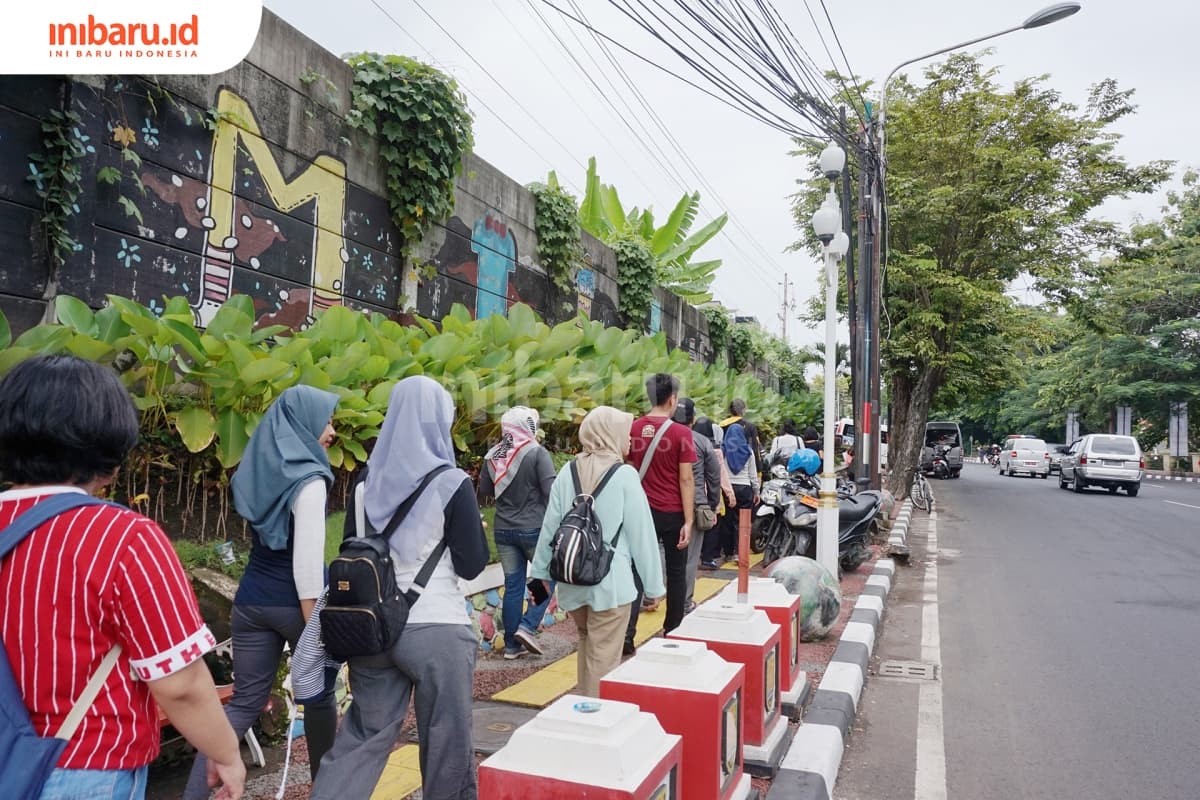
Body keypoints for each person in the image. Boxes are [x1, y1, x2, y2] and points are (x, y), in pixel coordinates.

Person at [0, 355, 245, 800]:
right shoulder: (124, 538)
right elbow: (181, 684)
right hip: (81, 769)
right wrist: (226, 754)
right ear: (109, 451)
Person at [311, 376, 488, 800]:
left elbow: (355, 549)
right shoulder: (452, 483)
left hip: (372, 629)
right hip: (436, 629)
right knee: (446, 742)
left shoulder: (364, 483)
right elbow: (472, 564)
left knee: (362, 737)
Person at [183, 385, 339, 798]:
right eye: (326, 421)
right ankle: (327, 791)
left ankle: (192, 795)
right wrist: (317, 634)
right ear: (304, 423)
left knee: (242, 705)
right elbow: (307, 568)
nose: (332, 431)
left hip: (251, 603)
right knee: (320, 697)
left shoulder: (261, 470)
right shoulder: (309, 480)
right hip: (294, 604)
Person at [531, 406, 664, 696]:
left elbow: (551, 526)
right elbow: (643, 535)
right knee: (603, 657)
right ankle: (593, 718)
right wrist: (654, 586)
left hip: (572, 579)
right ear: (610, 434)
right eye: (626, 434)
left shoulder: (568, 471)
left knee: (586, 643)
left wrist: (540, 573)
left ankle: (583, 708)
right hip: (610, 585)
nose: (629, 441)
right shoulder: (624, 475)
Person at [477, 406, 557, 659]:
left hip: (503, 530)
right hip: (534, 528)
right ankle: (528, 625)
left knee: (513, 586)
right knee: (548, 576)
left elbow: (485, 493)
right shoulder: (536, 452)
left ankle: (512, 645)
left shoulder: (493, 455)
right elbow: (552, 493)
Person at [623, 373, 695, 649]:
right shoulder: (681, 433)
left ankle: (627, 636)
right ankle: (673, 631)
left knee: (635, 572)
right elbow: (685, 479)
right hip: (673, 513)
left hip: (640, 512)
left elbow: (629, 467)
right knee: (676, 573)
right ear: (673, 400)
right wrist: (688, 521)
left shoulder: (634, 428)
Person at [672, 398, 721, 613]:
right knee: (690, 558)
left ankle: (651, 596)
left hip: (663, 503)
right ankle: (683, 603)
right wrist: (712, 504)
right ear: (692, 419)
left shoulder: (663, 437)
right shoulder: (702, 441)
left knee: (662, 553)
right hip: (694, 503)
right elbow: (714, 476)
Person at [702, 399, 760, 569]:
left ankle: (728, 553)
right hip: (745, 488)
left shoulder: (723, 450)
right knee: (743, 522)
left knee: (727, 522)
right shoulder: (748, 451)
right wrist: (756, 490)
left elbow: (719, 471)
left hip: (728, 489)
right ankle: (740, 551)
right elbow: (752, 474)